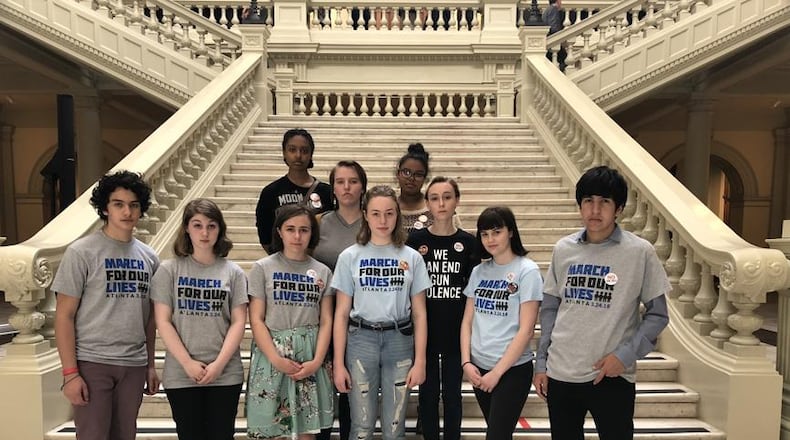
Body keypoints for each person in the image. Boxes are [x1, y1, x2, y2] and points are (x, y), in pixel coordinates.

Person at [533, 165, 671, 440]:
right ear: (580, 206)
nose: (595, 210)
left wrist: (625, 356)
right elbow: (549, 309)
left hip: (611, 376)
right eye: (588, 201)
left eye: (604, 202)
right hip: (561, 374)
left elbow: (658, 315)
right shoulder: (563, 249)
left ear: (618, 209)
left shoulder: (639, 252)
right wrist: (541, 363)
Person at [53, 170, 160, 440]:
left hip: (133, 365)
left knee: (126, 435)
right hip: (92, 362)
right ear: (105, 208)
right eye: (119, 204)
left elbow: (149, 318)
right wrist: (70, 374)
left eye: (134, 205)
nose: (127, 212)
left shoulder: (149, 257)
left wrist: (149, 365)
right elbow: (64, 316)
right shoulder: (82, 252)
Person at [332, 185, 431, 440]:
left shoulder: (412, 258)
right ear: (365, 214)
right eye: (376, 213)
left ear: (397, 214)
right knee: (361, 426)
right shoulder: (349, 257)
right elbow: (341, 314)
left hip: (399, 340)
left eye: (389, 213)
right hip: (360, 340)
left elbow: (420, 314)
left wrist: (420, 360)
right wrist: (339, 363)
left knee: (395, 426)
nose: (383, 220)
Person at [151, 198, 248, 440]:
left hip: (225, 373)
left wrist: (218, 365)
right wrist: (187, 363)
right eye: (197, 225)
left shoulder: (233, 272)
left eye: (211, 226)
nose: (204, 233)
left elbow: (238, 322)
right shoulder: (169, 270)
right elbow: (163, 321)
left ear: (220, 230)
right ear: (186, 228)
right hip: (181, 374)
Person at [246, 204, 335, 439]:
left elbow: (326, 320)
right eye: (291, 229)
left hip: (309, 354)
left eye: (304, 230)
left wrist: (317, 361)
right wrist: (275, 358)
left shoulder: (323, 272)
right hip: (272, 353)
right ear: (279, 232)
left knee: (308, 429)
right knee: (274, 428)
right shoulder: (262, 268)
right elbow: (256, 318)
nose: (297, 236)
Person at [407, 177, 480, 440]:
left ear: (456, 201)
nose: (441, 203)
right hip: (425, 330)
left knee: (452, 394)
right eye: (435, 198)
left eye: (447, 197)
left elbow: (473, 292)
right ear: (427, 203)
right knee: (427, 393)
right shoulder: (415, 242)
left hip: (456, 330)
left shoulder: (469, 243)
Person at [460, 206, 542, 440]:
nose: (490, 239)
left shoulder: (527, 271)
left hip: (511, 371)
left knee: (496, 435)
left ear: (511, 232)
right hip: (478, 367)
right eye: (484, 234)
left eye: (496, 232)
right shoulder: (478, 271)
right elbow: (467, 321)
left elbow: (526, 331)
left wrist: (496, 373)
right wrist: (466, 362)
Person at [313, 160, 368, 440]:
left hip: (360, 319)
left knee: (352, 390)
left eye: (353, 181)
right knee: (323, 386)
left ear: (362, 187)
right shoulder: (320, 222)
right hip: (322, 316)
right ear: (332, 187)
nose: (347, 187)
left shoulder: (373, 223)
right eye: (340, 181)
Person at [255, 128, 333, 253]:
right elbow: (265, 235)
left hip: (317, 262)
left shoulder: (326, 192)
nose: (298, 155)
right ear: (284, 153)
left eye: (304, 151)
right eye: (292, 150)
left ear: (311, 154)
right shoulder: (271, 192)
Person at [396, 143, 433, 233]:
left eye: (418, 174)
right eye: (406, 172)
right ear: (398, 174)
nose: (411, 178)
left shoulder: (435, 208)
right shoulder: (387, 207)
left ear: (425, 178)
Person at [542, 0, 567, 70]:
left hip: (548, 39)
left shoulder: (548, 9)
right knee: (564, 59)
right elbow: (553, 26)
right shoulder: (553, 9)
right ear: (558, 1)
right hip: (552, 39)